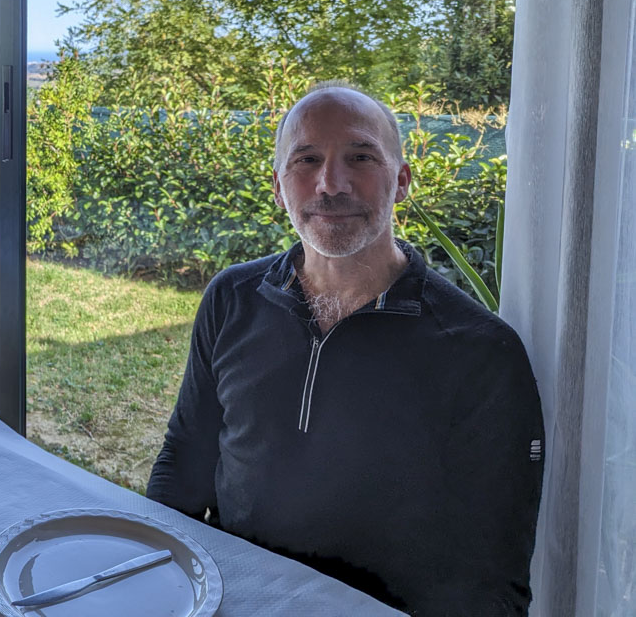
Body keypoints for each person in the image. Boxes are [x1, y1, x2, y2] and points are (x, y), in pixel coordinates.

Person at [146, 82, 544, 616]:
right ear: (278, 186)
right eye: (306, 160)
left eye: (360, 157)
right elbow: (186, 457)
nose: (330, 184)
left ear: (401, 181)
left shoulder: (479, 350)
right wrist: (156, 581)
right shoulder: (232, 298)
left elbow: (493, 577)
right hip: (232, 596)